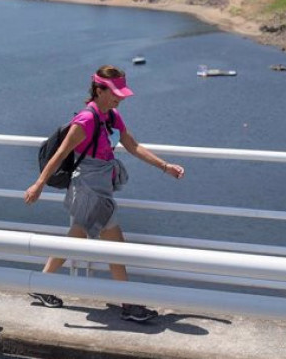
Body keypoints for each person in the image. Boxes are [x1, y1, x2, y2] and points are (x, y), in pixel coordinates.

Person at [24, 64, 185, 323]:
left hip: (101, 187)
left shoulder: (111, 117)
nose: (119, 97)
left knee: (75, 236)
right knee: (116, 245)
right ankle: (129, 304)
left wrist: (165, 166)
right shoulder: (86, 120)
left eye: (121, 93)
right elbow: (61, 154)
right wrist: (39, 184)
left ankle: (41, 284)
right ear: (98, 90)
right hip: (88, 190)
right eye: (114, 93)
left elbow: (133, 146)